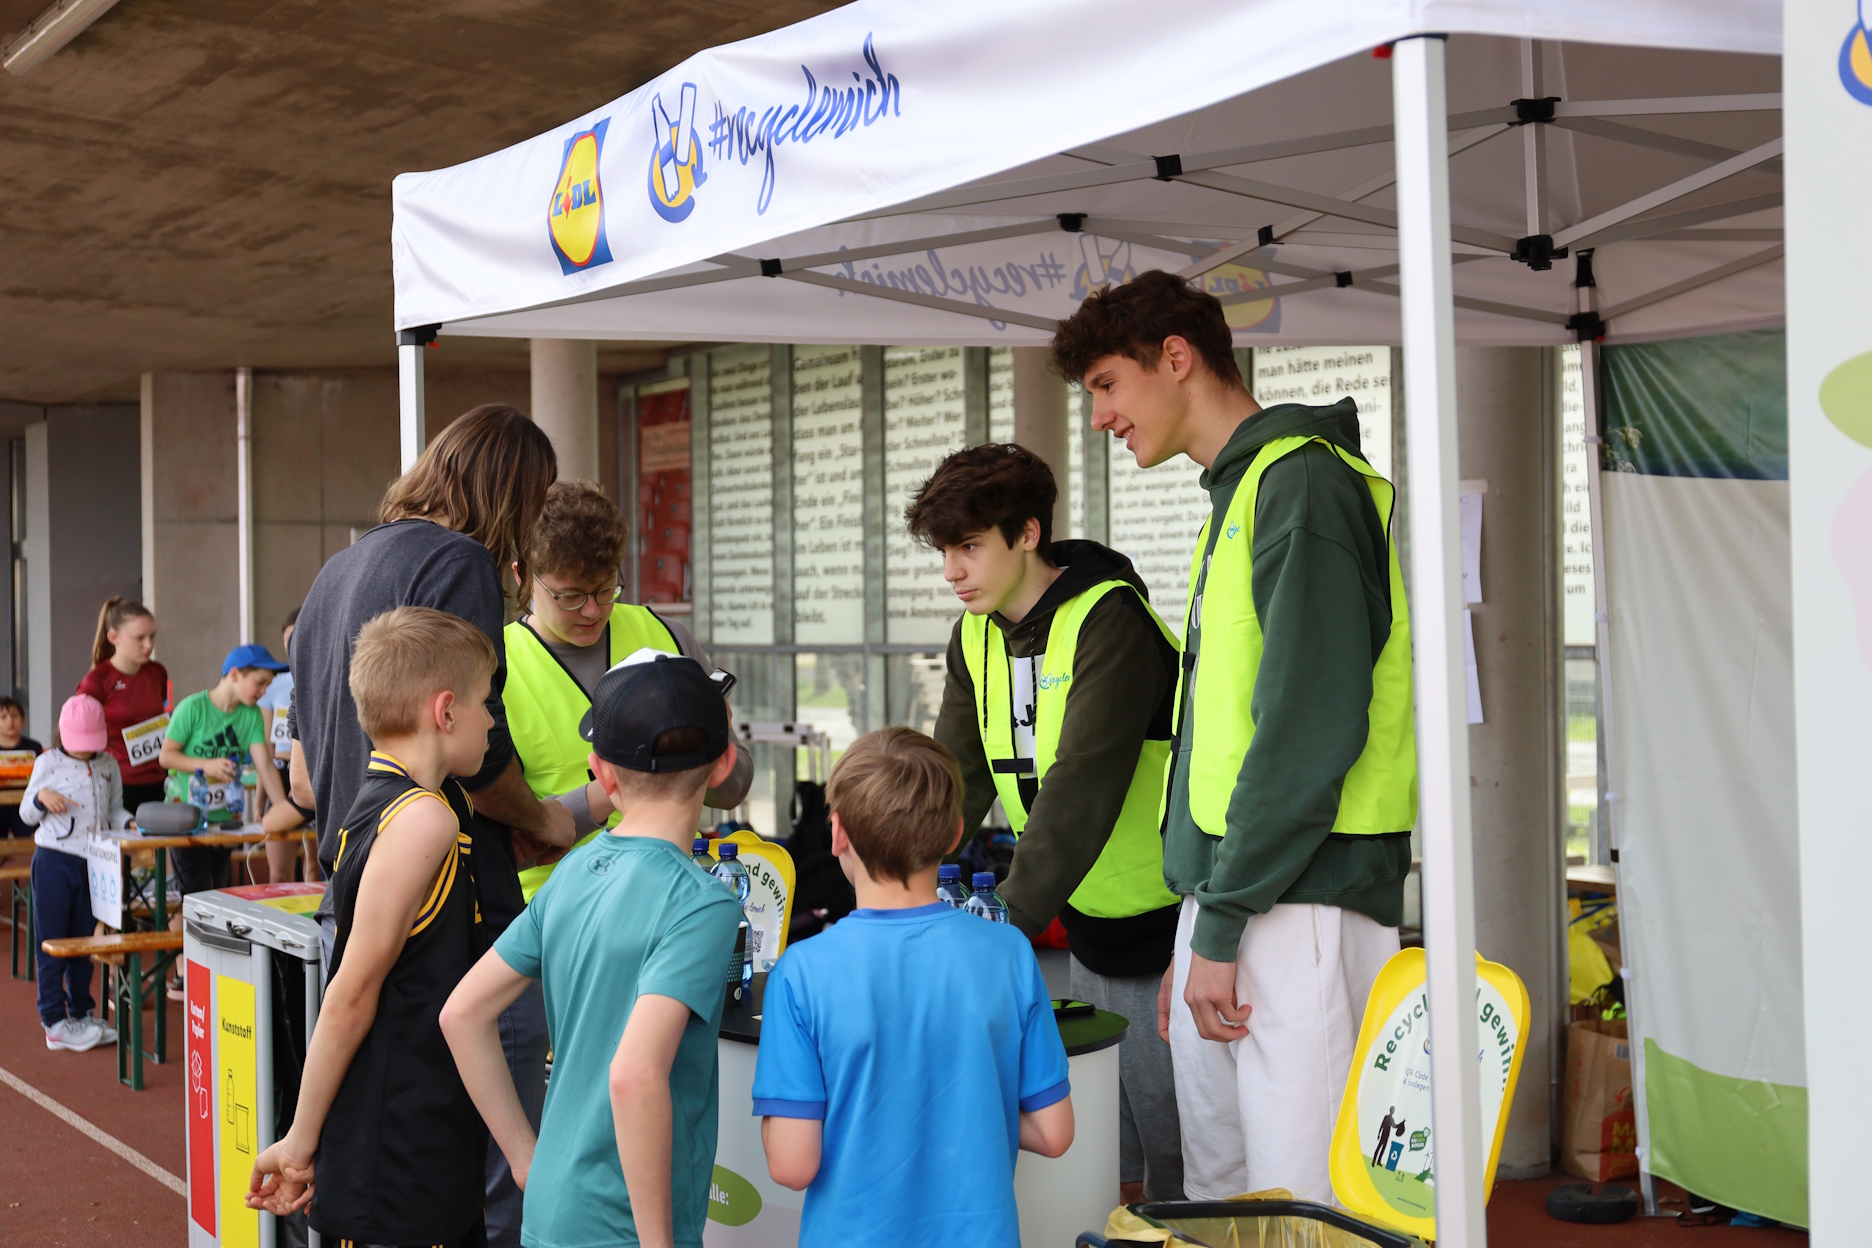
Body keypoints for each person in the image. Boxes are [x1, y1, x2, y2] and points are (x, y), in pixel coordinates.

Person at [1053, 270, 1416, 1203]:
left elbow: (1307, 726)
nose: (1100, 417)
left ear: (1177, 358)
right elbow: (1230, 740)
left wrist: (1216, 922)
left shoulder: (1300, 484)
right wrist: (1200, 928)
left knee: (1303, 1199)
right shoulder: (1248, 490)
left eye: (1105, 385)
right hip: (1247, 899)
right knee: (1228, 1189)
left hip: (1300, 897)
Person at [287, 403, 573, 1246]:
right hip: (456, 920)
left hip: (359, 880)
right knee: (485, 1189)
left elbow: (307, 771)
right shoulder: (459, 563)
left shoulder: (336, 571)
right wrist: (545, 817)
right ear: (512, 494)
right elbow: (480, 761)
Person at [907, 442, 1185, 1202]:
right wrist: (893, 885)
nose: (952, 571)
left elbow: (1081, 787)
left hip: (1168, 926)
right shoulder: (976, 631)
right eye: (945, 551)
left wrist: (1000, 926)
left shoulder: (1110, 621)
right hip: (1086, 925)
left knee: (1178, 1163)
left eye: (968, 547)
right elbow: (953, 781)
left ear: (1028, 533)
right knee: (1103, 1155)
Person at [440, 653, 743, 1248]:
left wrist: (529, 1160)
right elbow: (634, 1074)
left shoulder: (573, 872)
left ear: (601, 774)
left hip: (553, 1212)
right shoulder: (702, 904)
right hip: (626, 1229)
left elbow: (461, 1014)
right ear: (723, 763)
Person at [754, 727, 1074, 1248]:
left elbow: (792, 1164)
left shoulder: (802, 972)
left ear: (836, 833)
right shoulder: (1008, 950)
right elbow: (1055, 1132)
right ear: (954, 835)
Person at [247, 607, 499, 1246]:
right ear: (445, 711)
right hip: (397, 1148)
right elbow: (351, 994)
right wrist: (300, 1143)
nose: (494, 721)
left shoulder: (393, 804)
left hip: (416, 1132)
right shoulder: (423, 821)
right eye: (485, 702)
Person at [506, 480, 752, 903]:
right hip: (552, 927)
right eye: (569, 596)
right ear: (522, 576)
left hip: (671, 906)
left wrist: (715, 749)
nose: (591, 610)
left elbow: (734, 788)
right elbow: (502, 845)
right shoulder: (496, 667)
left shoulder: (668, 638)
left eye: (605, 590)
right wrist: (621, 788)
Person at [21, 695, 128, 1052]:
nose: (84, 753)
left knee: (85, 941)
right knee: (53, 941)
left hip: (95, 863)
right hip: (54, 860)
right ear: (62, 734)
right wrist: (41, 798)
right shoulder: (47, 762)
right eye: (77, 745)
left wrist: (133, 824)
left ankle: (81, 1012)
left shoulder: (108, 764)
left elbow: (115, 810)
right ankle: (53, 1020)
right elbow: (25, 814)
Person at [159, 644, 293, 896]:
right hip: (186, 821)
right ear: (234, 675)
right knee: (196, 895)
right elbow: (166, 757)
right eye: (260, 683)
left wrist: (283, 809)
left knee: (219, 895)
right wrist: (206, 765)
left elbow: (264, 763)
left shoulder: (251, 715)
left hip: (224, 821)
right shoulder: (192, 708)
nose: (264, 692)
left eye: (268, 686)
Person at [76, 597, 170, 811]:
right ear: (113, 638)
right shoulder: (96, 681)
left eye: (152, 636)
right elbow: (74, 736)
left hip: (156, 779)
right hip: (114, 783)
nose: (149, 645)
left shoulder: (157, 672)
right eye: (139, 638)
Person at [255, 608, 315, 883]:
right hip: (281, 774)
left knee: (315, 870)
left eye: (297, 638)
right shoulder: (275, 683)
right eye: (287, 641)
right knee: (279, 872)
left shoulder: (322, 677)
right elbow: (264, 748)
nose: (293, 647)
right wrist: (260, 800)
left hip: (313, 776)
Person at [0, 696, 46, 840]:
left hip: (26, 802)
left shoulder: (34, 747)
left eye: (15, 716)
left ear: (23, 720)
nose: (10, 721)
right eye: (3, 717)